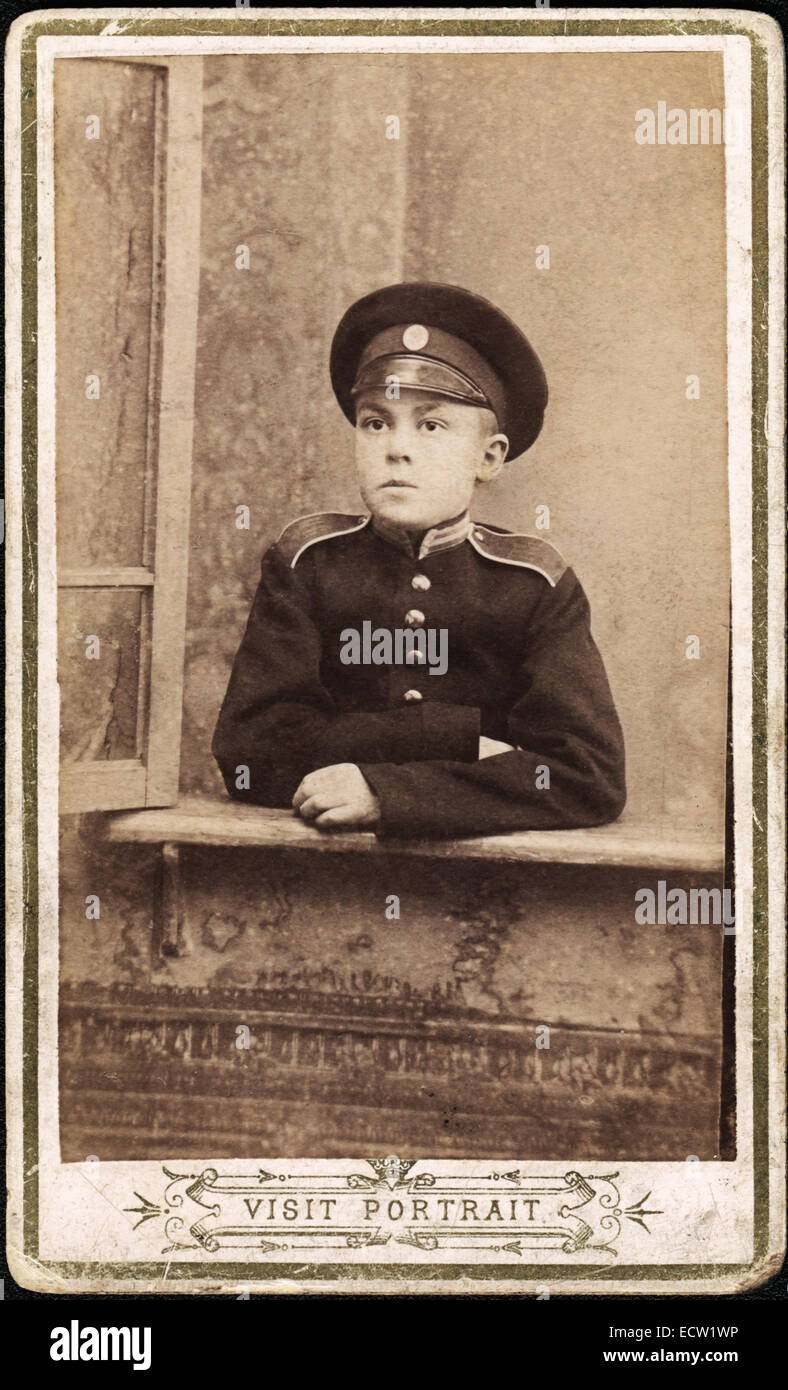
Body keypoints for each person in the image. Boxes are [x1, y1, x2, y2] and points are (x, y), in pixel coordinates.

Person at [212, 281, 626, 839]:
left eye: (431, 426)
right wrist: (444, 738)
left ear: (488, 456)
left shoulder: (534, 584)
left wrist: (389, 794)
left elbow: (587, 777)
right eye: (375, 422)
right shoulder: (307, 564)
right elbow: (250, 756)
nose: (396, 447)